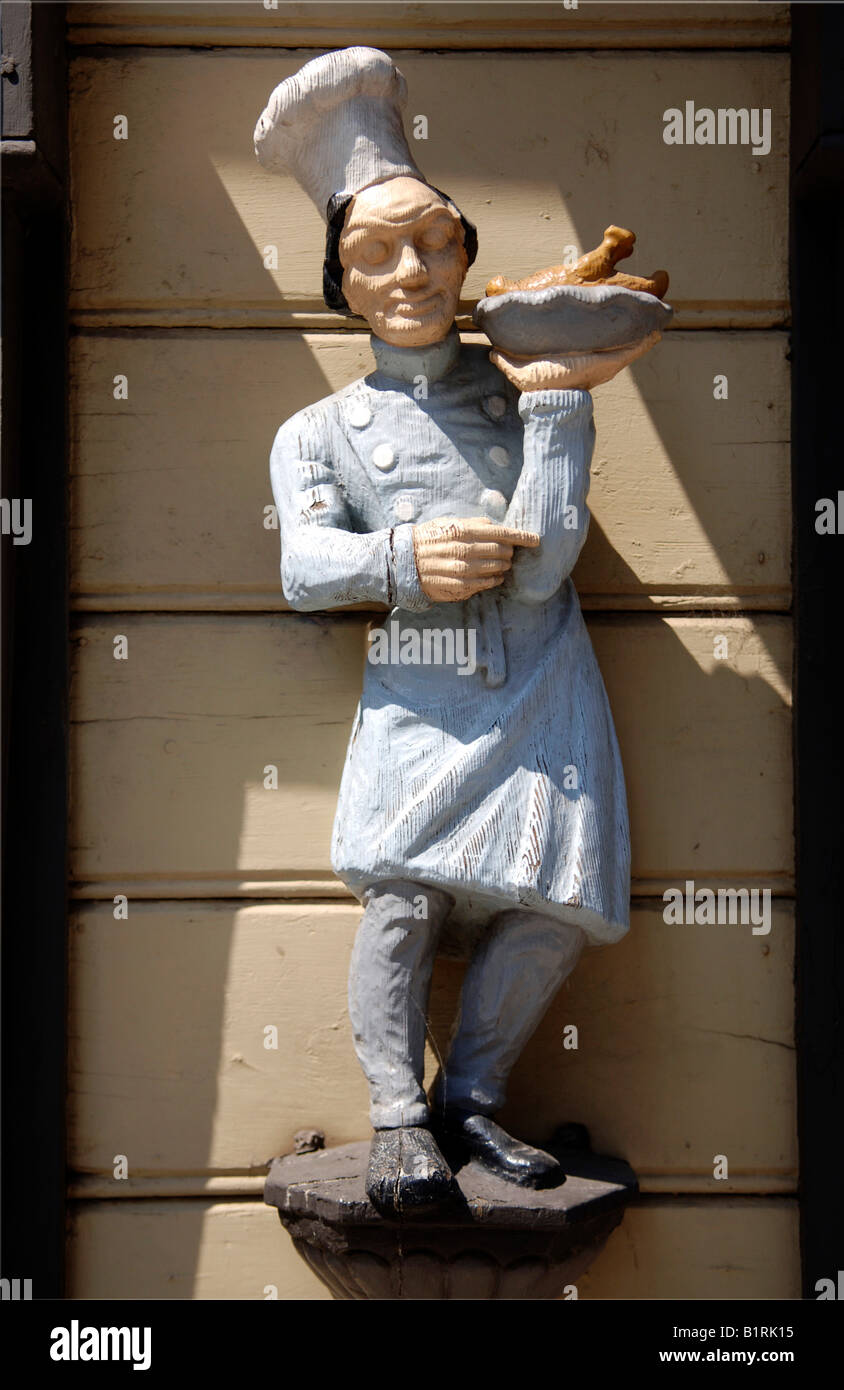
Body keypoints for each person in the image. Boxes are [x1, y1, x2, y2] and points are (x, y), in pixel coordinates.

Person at [255, 47, 652, 1216]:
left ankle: (470, 1099)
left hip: (539, 670)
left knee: (549, 907)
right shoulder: (318, 432)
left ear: (465, 252)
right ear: (341, 282)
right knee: (401, 899)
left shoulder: (527, 375)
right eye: (374, 255)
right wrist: (401, 559)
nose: (411, 271)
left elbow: (546, 570)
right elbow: (302, 567)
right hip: (421, 682)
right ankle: (395, 1121)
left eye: (432, 242)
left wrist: (561, 414)